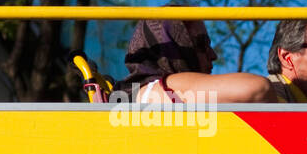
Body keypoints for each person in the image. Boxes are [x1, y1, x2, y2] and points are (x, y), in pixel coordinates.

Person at [116, 19, 273, 104]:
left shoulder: (135, 94)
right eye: (200, 44)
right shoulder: (160, 88)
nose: (213, 55)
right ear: (173, 46)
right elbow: (257, 88)